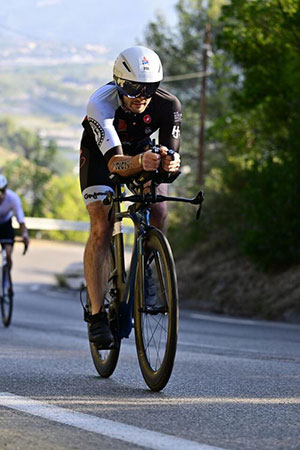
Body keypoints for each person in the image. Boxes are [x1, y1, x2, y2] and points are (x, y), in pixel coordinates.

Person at [79, 45, 181, 347]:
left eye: (149, 89)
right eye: (134, 88)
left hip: (138, 151)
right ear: (119, 82)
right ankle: (97, 315)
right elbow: (114, 163)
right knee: (101, 224)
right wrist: (138, 163)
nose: (141, 96)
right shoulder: (100, 102)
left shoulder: (168, 105)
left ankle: (149, 265)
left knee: (159, 208)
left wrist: (170, 164)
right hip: (101, 157)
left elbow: (171, 158)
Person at [0, 174, 29, 282]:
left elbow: (20, 219)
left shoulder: (12, 198)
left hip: (6, 224)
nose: (0, 195)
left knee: (8, 255)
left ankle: (7, 278)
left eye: (2, 191)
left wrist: (24, 235)